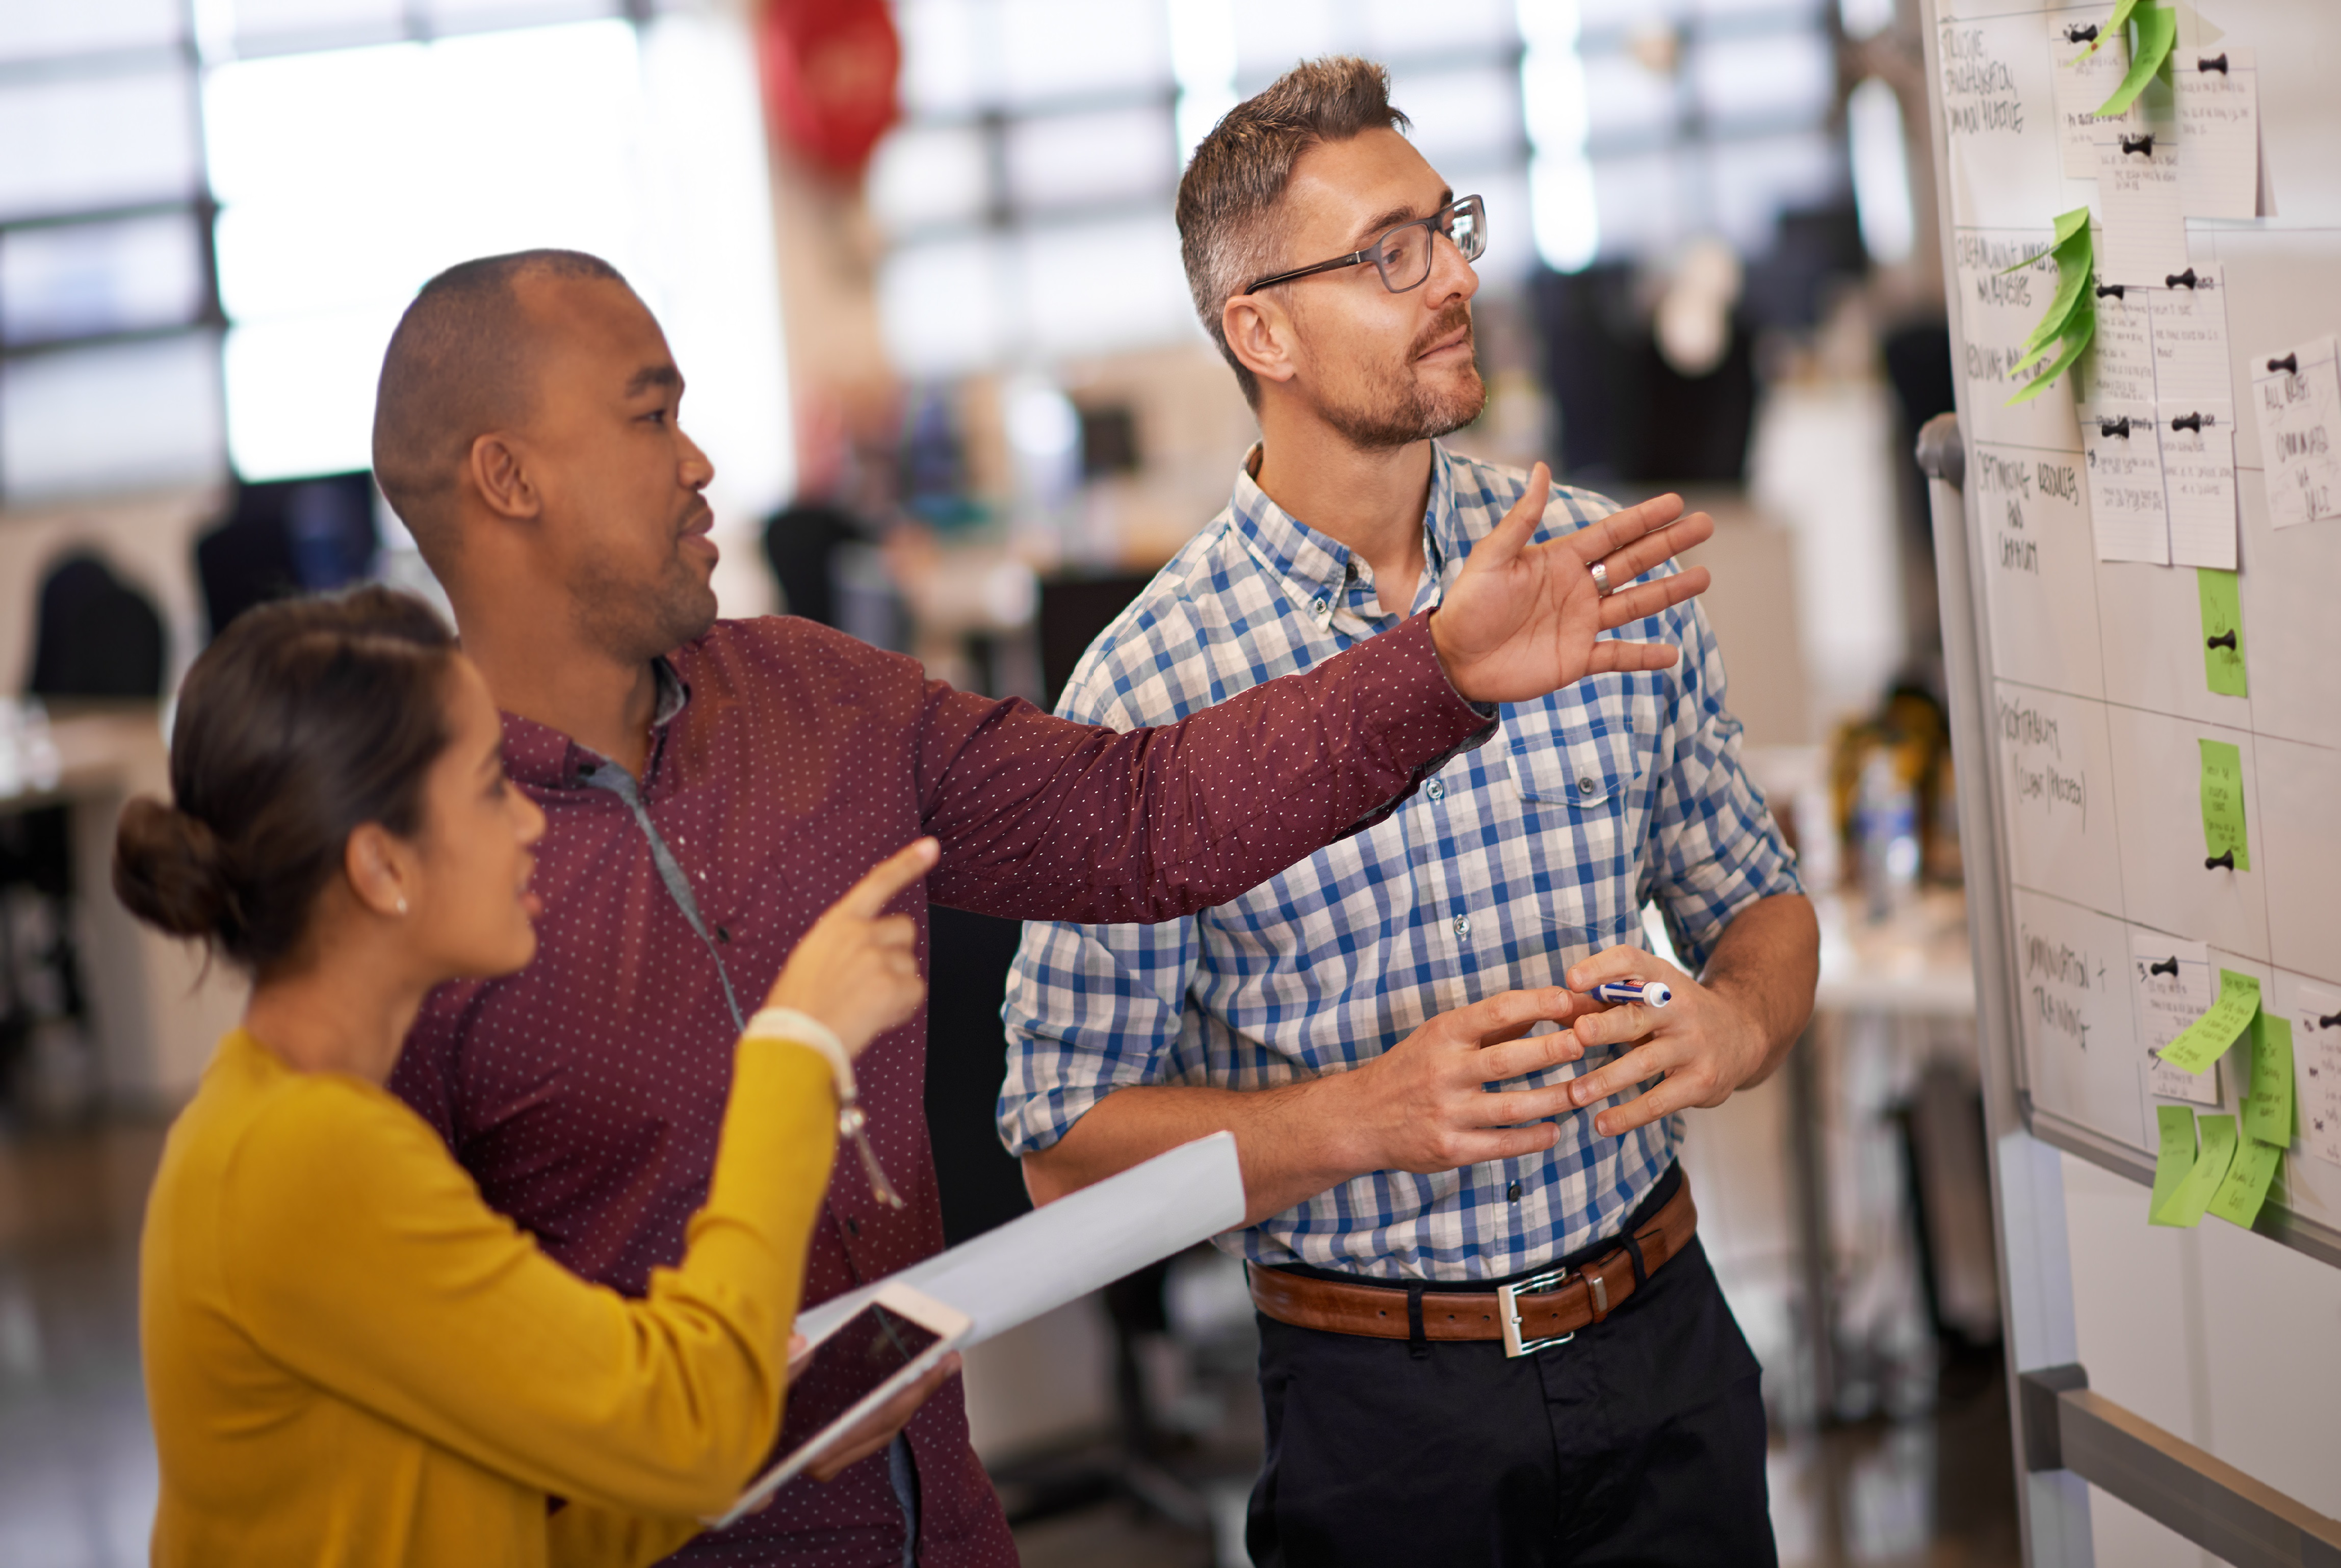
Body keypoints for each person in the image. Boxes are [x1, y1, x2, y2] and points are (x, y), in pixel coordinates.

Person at [368, 247, 1714, 1566]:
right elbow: (421, 1394)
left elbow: (1144, 816)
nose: (700, 459)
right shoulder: (402, 888)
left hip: (942, 1526)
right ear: (509, 475)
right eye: (652, 413)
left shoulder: (815, 701)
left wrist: (1435, 673)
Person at [1001, 58, 1820, 1568]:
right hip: (1387, 1416)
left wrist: (1738, 1027)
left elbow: (1756, 898)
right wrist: (1354, 1119)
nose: (1452, 277)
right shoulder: (1146, 691)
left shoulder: (1588, 557)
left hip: (1670, 1348)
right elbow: (1058, 1142)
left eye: (1448, 228)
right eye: (1390, 254)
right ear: (1262, 328)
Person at [118, 587, 944, 1566]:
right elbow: (684, 1430)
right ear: (382, 867)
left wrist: (769, 1429)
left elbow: (502, 1528)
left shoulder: (297, 1128)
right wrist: (795, 1049)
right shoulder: (301, 1157)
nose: (529, 824)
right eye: (486, 787)